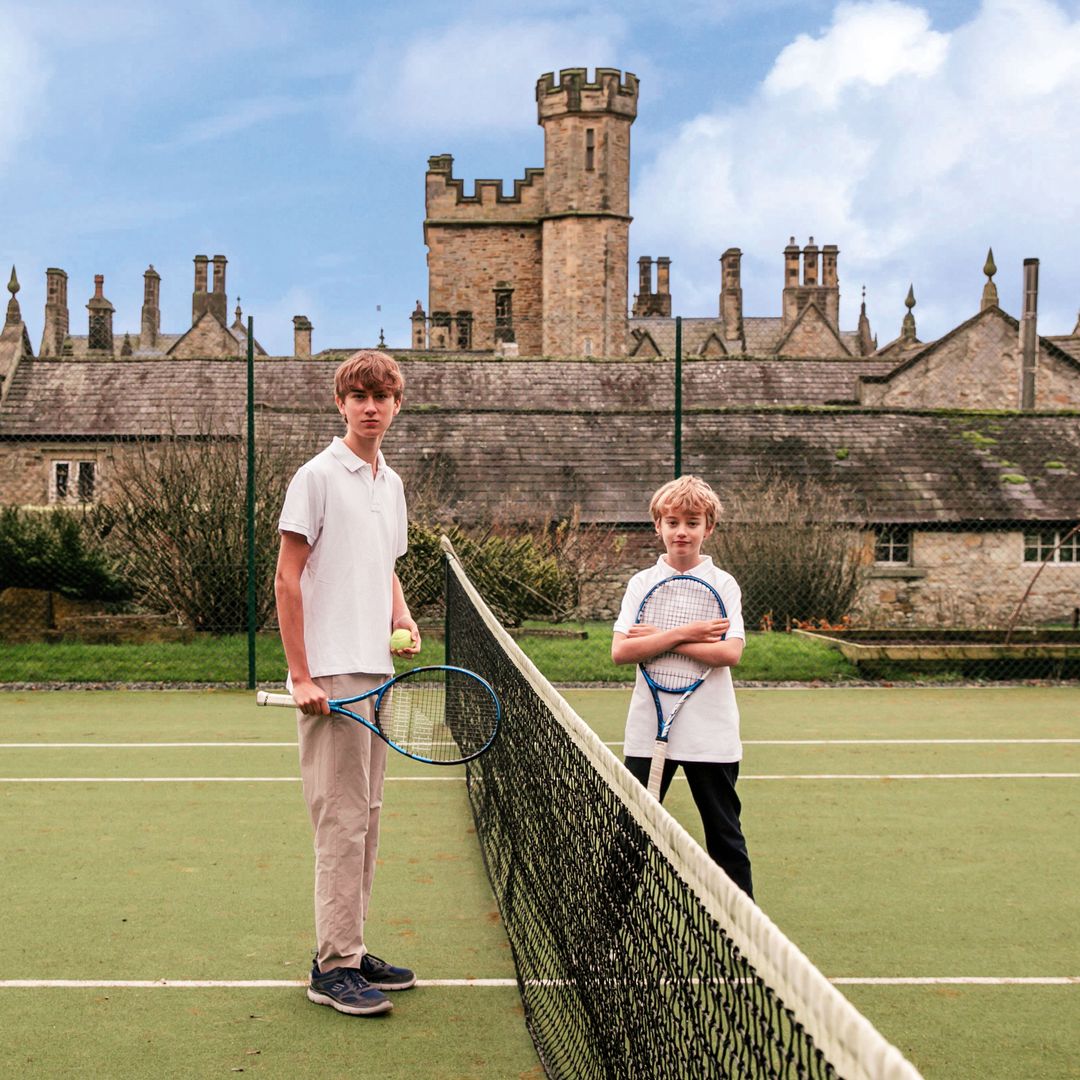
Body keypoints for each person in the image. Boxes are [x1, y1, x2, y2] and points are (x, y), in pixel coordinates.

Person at [274, 349, 422, 1016]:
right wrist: (302, 674)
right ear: (341, 404)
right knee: (340, 823)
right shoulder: (315, 476)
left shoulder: (389, 484)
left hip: (376, 670)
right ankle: (332, 967)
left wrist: (402, 613)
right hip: (330, 675)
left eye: (381, 396)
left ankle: (351, 949)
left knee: (365, 818)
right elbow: (287, 576)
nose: (370, 406)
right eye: (358, 395)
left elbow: (386, 564)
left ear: (395, 406)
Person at [611, 475, 754, 899]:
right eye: (672, 522)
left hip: (711, 734)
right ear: (658, 526)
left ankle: (746, 941)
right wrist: (690, 633)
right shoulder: (641, 583)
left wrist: (660, 637)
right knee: (629, 837)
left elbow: (730, 654)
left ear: (708, 528)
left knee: (725, 839)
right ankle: (606, 936)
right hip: (647, 735)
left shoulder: (724, 584)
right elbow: (621, 651)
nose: (681, 531)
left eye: (692, 522)